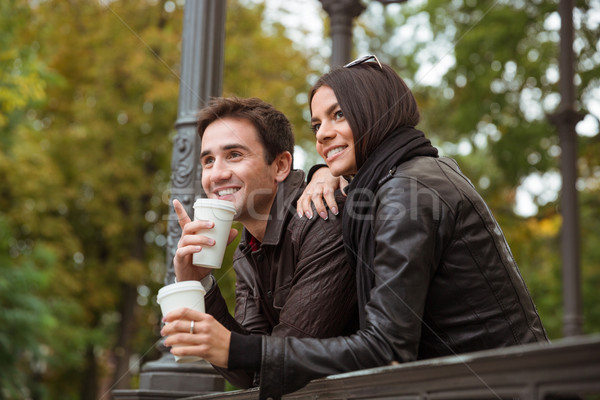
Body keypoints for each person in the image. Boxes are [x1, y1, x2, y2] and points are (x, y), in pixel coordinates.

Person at [163, 57, 548, 400]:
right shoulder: (254, 245)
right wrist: (199, 286)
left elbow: (383, 347)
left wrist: (233, 346)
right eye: (317, 123)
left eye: (339, 115)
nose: (323, 134)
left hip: (498, 386)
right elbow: (252, 373)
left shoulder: (396, 194)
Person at [162, 97, 357, 389]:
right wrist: (198, 284)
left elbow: (284, 364)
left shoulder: (322, 220)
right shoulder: (247, 250)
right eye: (208, 161)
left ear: (280, 165)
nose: (217, 174)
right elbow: (248, 372)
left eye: (235, 155)